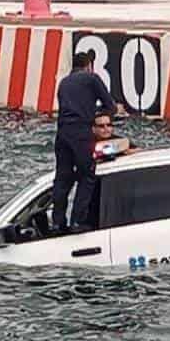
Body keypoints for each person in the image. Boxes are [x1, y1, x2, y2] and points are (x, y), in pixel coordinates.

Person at [52, 51, 116, 233]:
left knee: (62, 179)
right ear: (89, 65)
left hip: (62, 133)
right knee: (86, 175)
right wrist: (95, 114)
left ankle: (57, 223)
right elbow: (109, 105)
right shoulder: (91, 78)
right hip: (80, 133)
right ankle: (77, 221)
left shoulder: (63, 83)